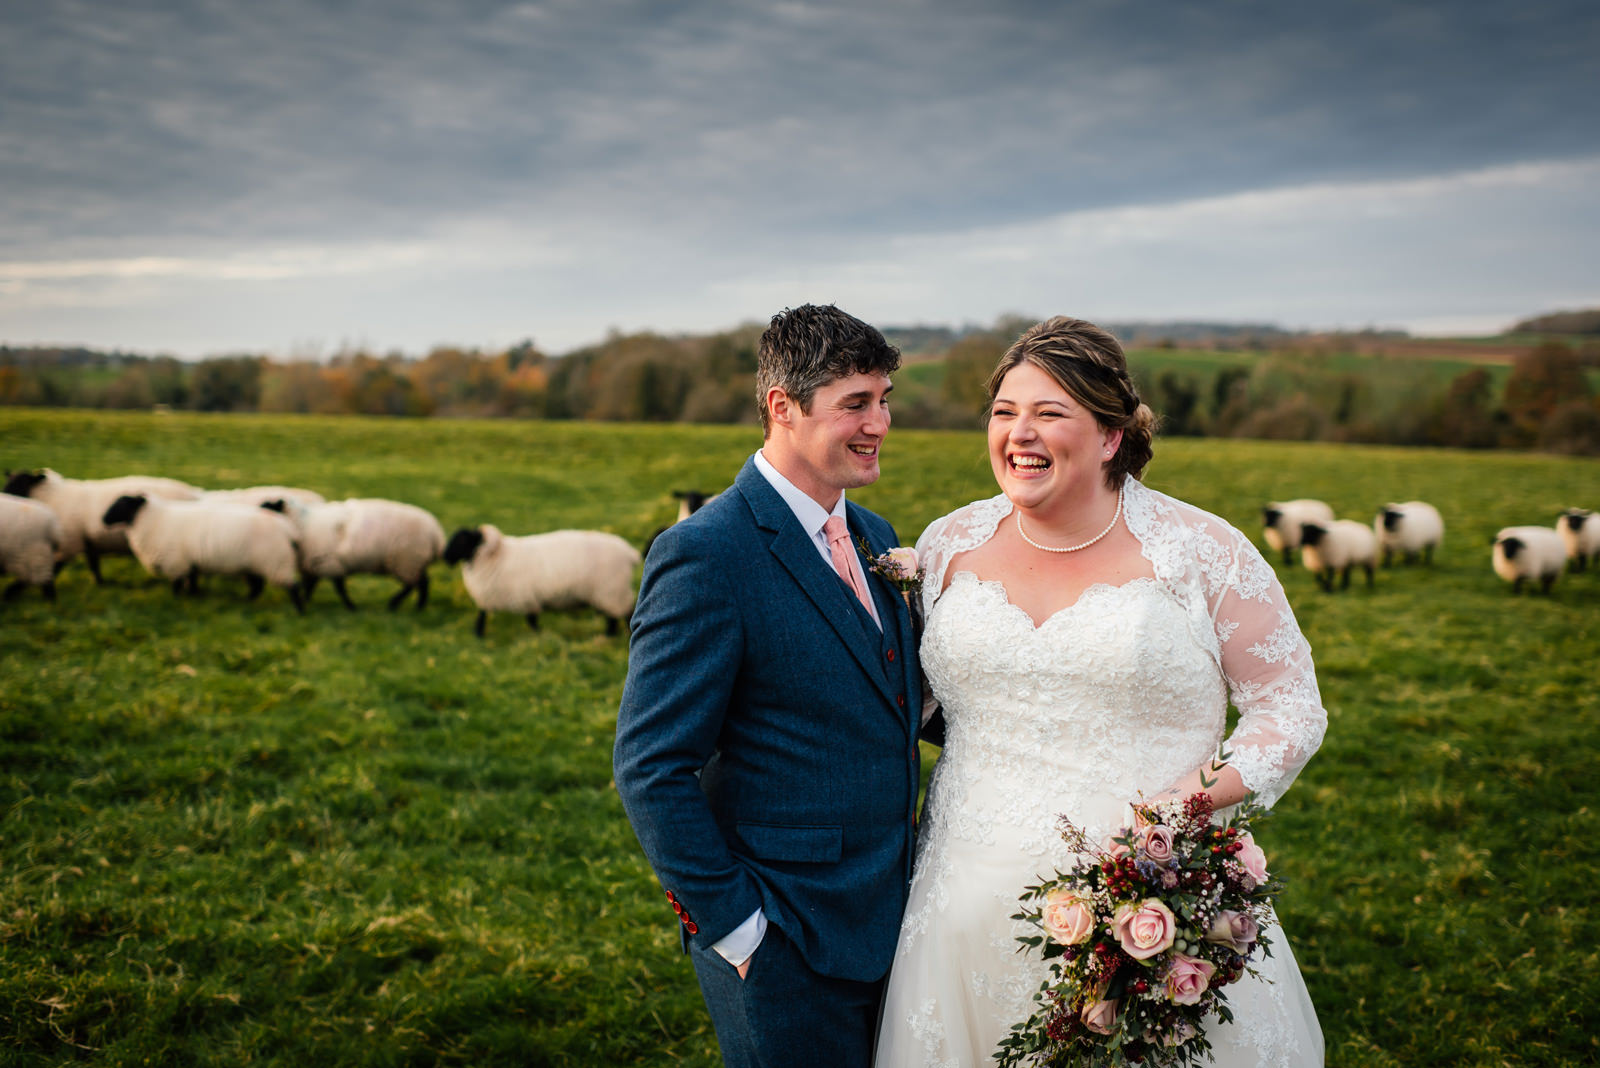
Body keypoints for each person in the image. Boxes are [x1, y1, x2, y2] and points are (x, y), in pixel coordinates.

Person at [874, 317, 1326, 1066]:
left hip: (1148, 904)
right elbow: (905, 701)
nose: (1019, 433)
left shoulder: (1200, 552)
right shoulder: (948, 544)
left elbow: (1290, 708)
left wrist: (1179, 812)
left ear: (1112, 436)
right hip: (959, 905)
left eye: (1050, 413)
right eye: (1004, 412)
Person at [614, 304, 925, 1068]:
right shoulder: (705, 555)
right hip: (783, 935)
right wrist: (736, 929)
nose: (878, 422)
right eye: (856, 403)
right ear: (782, 407)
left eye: (884, 400)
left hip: (897, 919)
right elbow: (650, 766)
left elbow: (889, 701)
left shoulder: (876, 536)